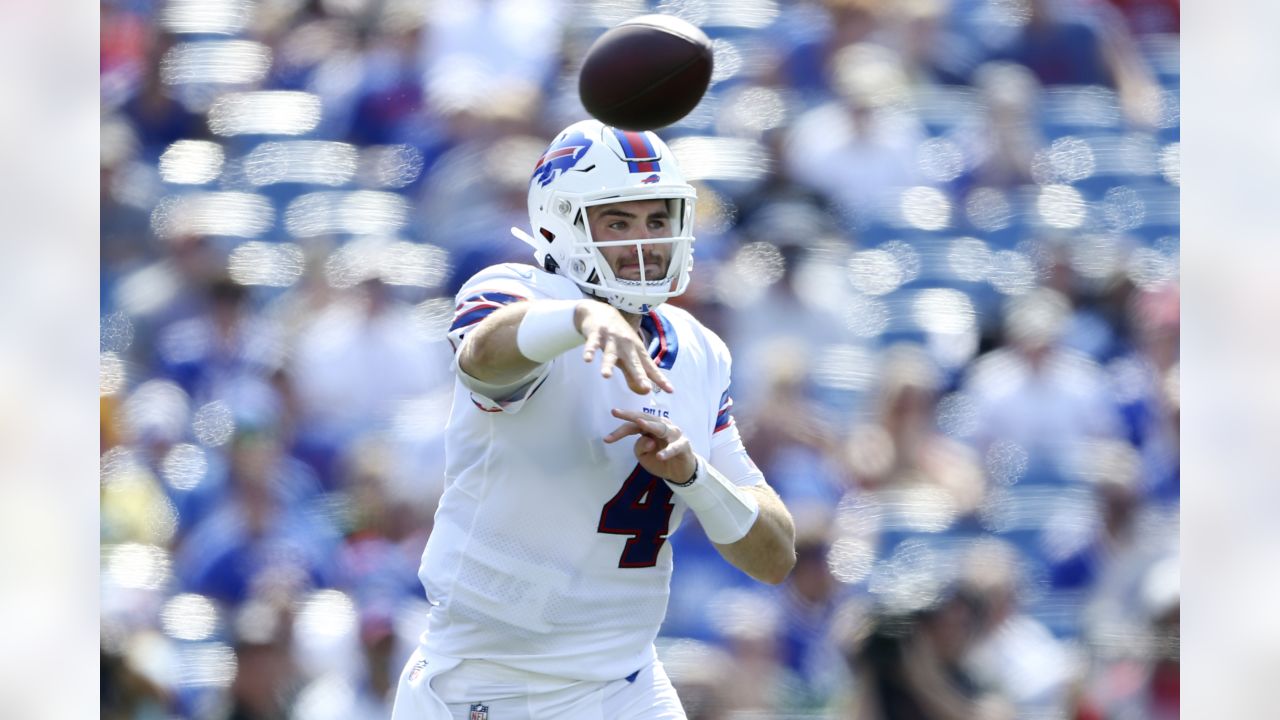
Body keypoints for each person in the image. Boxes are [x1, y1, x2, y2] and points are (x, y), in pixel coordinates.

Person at [390, 119, 798, 720]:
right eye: (619, 221)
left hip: (626, 682)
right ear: (561, 223)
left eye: (658, 220)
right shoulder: (517, 295)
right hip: (492, 684)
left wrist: (694, 478)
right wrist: (578, 318)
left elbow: (774, 556)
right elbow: (483, 356)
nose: (645, 243)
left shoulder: (698, 349)